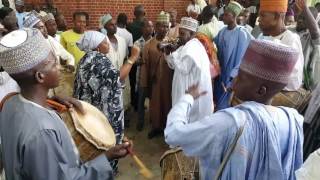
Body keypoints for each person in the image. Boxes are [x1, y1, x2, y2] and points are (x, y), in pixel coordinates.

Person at [0, 28, 132, 180]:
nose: (59, 66)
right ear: (40, 76)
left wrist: (49, 100)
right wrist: (107, 157)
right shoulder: (43, 133)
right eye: (54, 62)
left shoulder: (10, 103)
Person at [165, 39, 303, 180]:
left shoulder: (229, 123)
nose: (234, 81)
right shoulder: (292, 120)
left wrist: (187, 98)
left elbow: (173, 134)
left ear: (261, 90)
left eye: (241, 77)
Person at [73, 31, 139, 174]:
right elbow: (118, 77)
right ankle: (107, 172)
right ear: (96, 46)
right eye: (104, 42)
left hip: (91, 113)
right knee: (108, 149)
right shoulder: (98, 60)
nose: (107, 44)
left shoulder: (86, 59)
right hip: (102, 115)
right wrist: (133, 58)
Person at [258, 0, 306, 110]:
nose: (259, 19)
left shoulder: (291, 40)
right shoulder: (267, 38)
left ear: (276, 16)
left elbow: (293, 81)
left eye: (263, 15)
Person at [165, 17, 214, 122]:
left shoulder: (193, 48)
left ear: (192, 34)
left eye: (183, 34)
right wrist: (168, 53)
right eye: (180, 33)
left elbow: (184, 68)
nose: (179, 36)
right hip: (184, 90)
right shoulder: (186, 46)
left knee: (190, 122)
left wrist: (173, 52)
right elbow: (174, 64)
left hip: (191, 94)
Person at [23, 11, 75, 97]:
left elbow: (67, 56)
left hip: (60, 85)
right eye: (41, 28)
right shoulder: (29, 50)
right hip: (43, 91)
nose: (45, 30)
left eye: (44, 26)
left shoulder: (50, 40)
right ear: (32, 32)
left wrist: (70, 64)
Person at [214, 1, 253, 110]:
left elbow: (245, 57)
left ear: (234, 16)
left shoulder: (242, 33)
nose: (223, 17)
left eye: (227, 15)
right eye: (224, 14)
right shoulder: (222, 31)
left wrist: (234, 76)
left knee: (226, 106)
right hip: (220, 74)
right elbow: (214, 47)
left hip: (232, 75)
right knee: (217, 103)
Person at [140, 11, 173, 139]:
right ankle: (156, 127)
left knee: (168, 104)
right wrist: (144, 84)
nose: (164, 29)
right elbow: (145, 66)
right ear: (156, 26)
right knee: (155, 106)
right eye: (161, 26)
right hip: (155, 82)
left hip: (170, 82)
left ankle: (168, 128)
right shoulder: (149, 45)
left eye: (166, 26)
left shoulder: (172, 44)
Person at [104, 14, 132, 116]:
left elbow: (125, 57)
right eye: (111, 25)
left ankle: (124, 117)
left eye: (115, 24)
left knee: (123, 98)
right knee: (110, 102)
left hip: (122, 73)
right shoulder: (102, 41)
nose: (114, 26)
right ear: (105, 27)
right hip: (108, 77)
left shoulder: (122, 40)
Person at [295, 0, 320, 90]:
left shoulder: (312, 37)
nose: (300, 20)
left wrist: (305, 8)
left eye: (304, 18)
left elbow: (315, 31)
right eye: (300, 17)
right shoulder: (291, 31)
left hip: (305, 84)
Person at [135, 19, 154, 131]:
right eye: (148, 26)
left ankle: (153, 120)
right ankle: (140, 122)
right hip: (141, 76)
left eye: (151, 27)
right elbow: (135, 61)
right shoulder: (137, 43)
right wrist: (144, 60)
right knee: (141, 101)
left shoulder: (155, 42)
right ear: (142, 28)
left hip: (153, 77)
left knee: (153, 100)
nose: (150, 29)